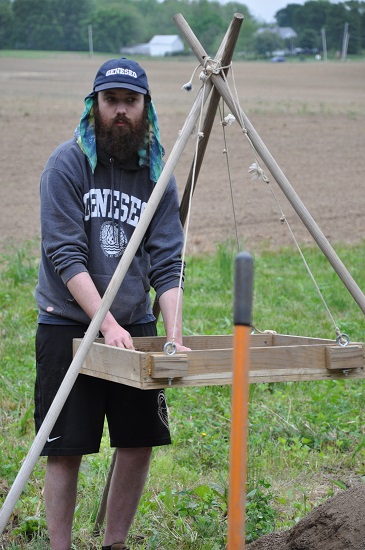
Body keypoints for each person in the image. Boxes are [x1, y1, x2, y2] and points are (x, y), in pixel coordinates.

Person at [34, 57, 189, 550]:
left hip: (136, 328)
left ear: (145, 108)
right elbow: (64, 251)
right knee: (65, 448)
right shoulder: (67, 164)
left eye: (130, 101)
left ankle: (115, 544)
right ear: (94, 106)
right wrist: (104, 322)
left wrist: (172, 335)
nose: (121, 111)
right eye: (111, 101)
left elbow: (168, 264)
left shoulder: (158, 178)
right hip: (68, 326)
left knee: (138, 441)